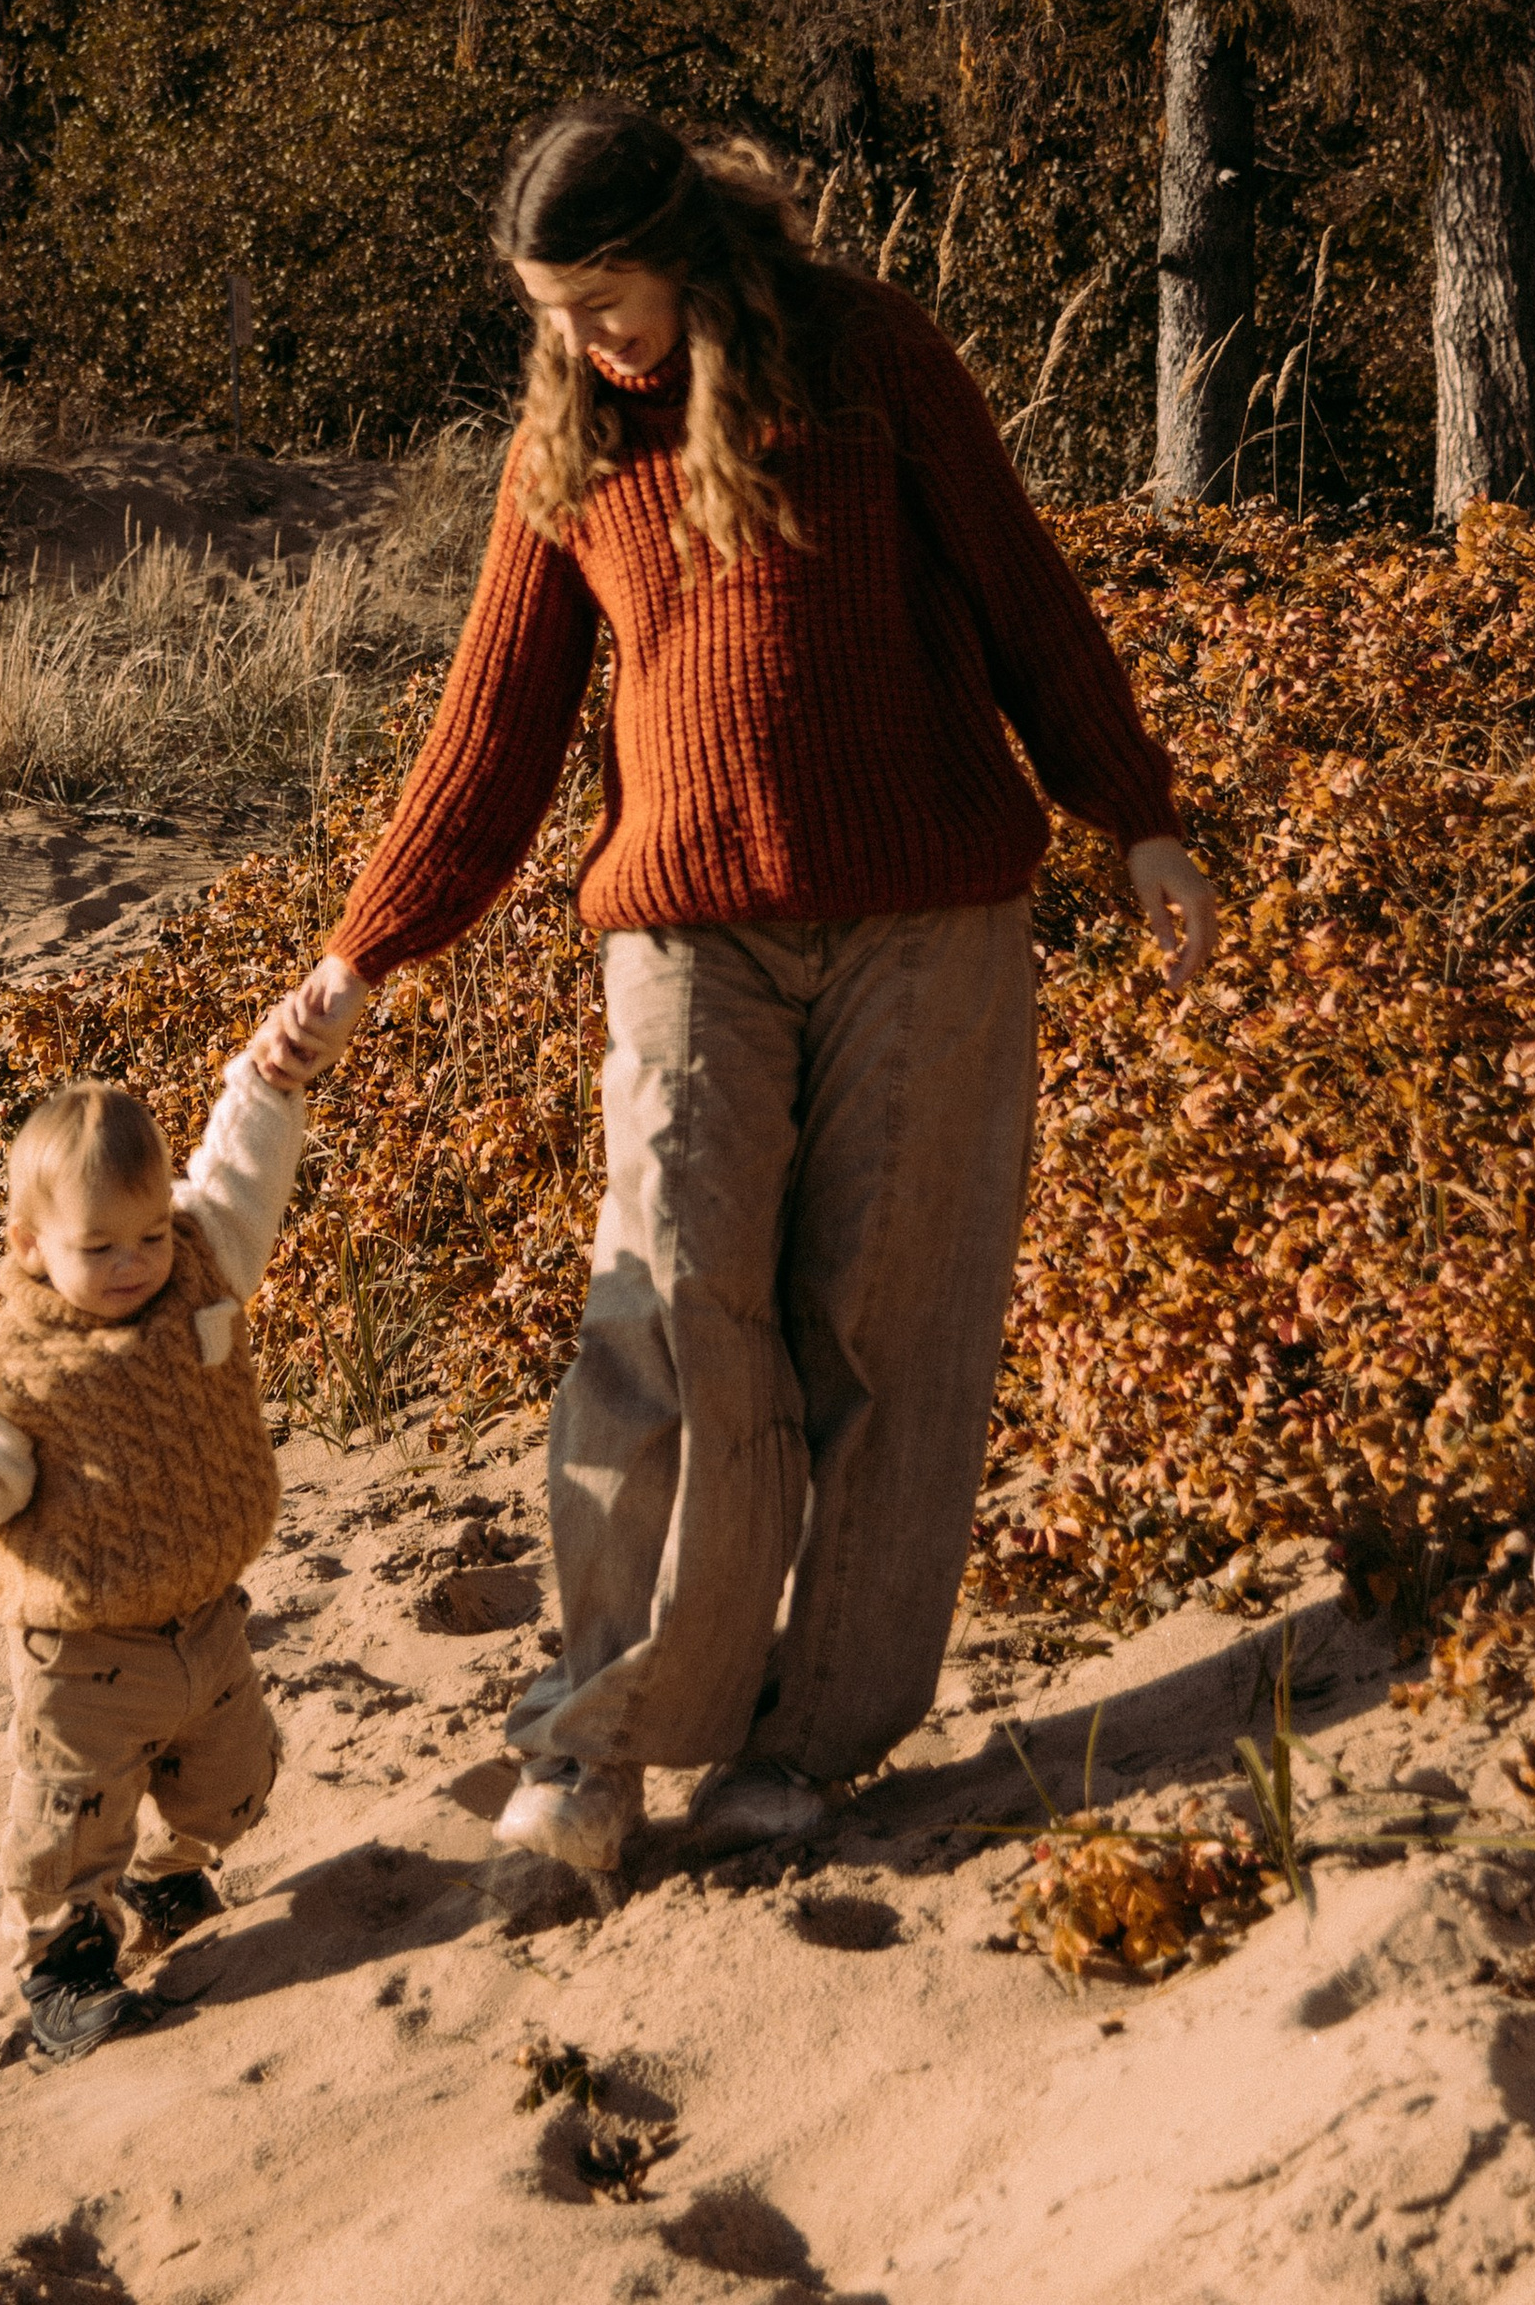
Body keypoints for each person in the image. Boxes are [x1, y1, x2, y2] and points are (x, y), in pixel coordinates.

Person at [248, 98, 1216, 1875]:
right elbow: (492, 728)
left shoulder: (872, 358)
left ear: (687, 250)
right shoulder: (566, 443)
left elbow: (1022, 590)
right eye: (550, 312)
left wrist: (1136, 814)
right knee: (663, 1313)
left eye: (602, 299)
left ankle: (811, 1737)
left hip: (927, 915)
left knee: (882, 1326)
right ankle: (600, 1734)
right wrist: (360, 950)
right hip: (687, 934)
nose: (582, 339)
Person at [0, 1055, 303, 2060]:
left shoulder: (203, 1263)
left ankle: (168, 1876)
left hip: (205, 1618)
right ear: (30, 1245)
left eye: (149, 1234)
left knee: (233, 1782)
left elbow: (241, 1172)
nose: (133, 1262)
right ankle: (63, 1967)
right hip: (83, 1652)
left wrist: (273, 1083)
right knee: (71, 1821)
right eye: (98, 1247)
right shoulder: (18, 1364)